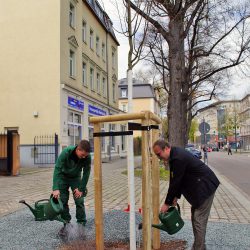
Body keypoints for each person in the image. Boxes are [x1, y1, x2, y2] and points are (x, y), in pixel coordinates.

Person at [153, 140, 220, 250]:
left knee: (198, 219)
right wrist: (175, 196)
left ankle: (199, 248)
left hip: (205, 187)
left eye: (159, 154)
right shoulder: (174, 156)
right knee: (195, 217)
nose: (159, 158)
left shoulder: (178, 157)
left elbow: (176, 182)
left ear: (166, 148)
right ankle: (199, 246)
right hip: (199, 188)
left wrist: (167, 203)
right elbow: (176, 179)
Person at [52, 140, 91, 235]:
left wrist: (81, 189)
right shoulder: (66, 152)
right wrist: (55, 188)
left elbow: (86, 173)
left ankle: (81, 224)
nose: (84, 157)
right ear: (78, 149)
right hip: (63, 177)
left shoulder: (87, 157)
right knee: (63, 201)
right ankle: (66, 224)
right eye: (82, 155)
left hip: (76, 178)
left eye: (85, 155)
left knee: (79, 200)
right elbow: (57, 168)